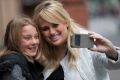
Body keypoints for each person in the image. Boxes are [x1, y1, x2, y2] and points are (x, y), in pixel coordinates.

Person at [33, 0, 120, 80]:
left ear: (66, 22)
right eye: (45, 29)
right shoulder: (41, 54)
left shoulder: (83, 40)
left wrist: (112, 52)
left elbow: (115, 64)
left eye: (55, 25)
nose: (51, 32)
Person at [0, 15, 44, 80]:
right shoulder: (14, 65)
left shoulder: (32, 63)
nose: (34, 42)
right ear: (14, 39)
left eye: (36, 37)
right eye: (27, 38)